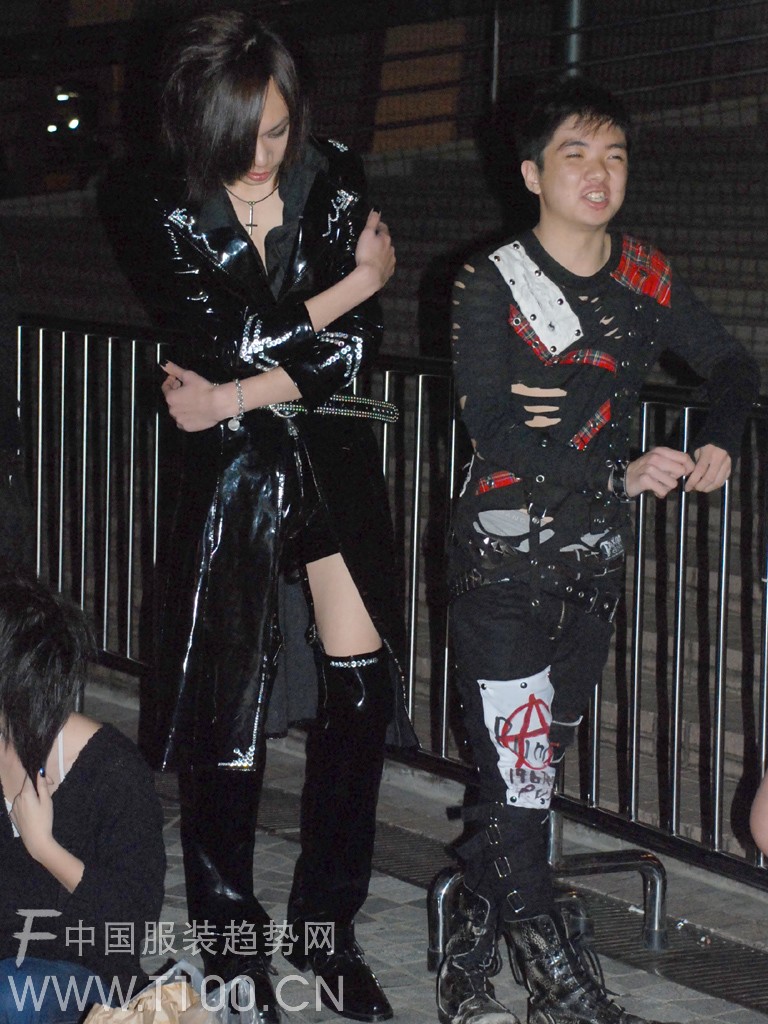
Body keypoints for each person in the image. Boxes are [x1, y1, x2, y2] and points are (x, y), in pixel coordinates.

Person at [439, 76, 760, 1024]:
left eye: (614, 155)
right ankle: (564, 986)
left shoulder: (646, 277)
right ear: (532, 174)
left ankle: (467, 943)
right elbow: (494, 429)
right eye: (575, 154)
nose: (599, 172)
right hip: (502, 561)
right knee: (518, 776)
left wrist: (720, 436)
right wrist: (618, 471)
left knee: (529, 776)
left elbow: (732, 362)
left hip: (591, 568)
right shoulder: (491, 280)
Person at [129, 11, 416, 1024]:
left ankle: (327, 932)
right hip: (231, 476)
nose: (263, 156)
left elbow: (349, 351)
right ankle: (231, 933)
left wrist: (233, 393)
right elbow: (229, 330)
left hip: (330, 459)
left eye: (279, 129)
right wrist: (357, 282)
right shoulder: (153, 197)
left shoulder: (334, 177)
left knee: (360, 692)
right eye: (241, 135)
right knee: (227, 712)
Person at [0, 572, 166, 1024]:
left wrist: (45, 848)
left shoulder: (112, 771)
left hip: (84, 975)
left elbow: (129, 924)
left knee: (14, 996)